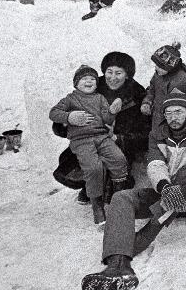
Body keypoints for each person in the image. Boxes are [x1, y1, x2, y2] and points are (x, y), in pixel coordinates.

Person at [80, 89, 186, 290]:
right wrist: (166, 189)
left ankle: (135, 241)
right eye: (169, 113)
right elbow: (155, 166)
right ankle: (118, 265)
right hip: (165, 190)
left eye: (179, 112)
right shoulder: (157, 134)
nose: (174, 117)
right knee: (122, 197)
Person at [65, 52, 152, 206]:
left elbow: (145, 133)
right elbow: (69, 107)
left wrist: (118, 138)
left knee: (113, 191)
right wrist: (69, 120)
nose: (113, 77)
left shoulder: (136, 94)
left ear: (127, 75)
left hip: (120, 144)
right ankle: (87, 186)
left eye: (118, 73)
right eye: (109, 72)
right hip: (89, 139)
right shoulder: (92, 86)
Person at [49, 65, 128, 225]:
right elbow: (53, 113)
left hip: (102, 136)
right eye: (84, 79)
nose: (89, 81)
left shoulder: (100, 98)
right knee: (93, 168)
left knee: (119, 159)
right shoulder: (70, 99)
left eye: (92, 79)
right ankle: (97, 206)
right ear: (76, 83)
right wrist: (69, 117)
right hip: (82, 141)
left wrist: (112, 112)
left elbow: (107, 120)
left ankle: (118, 201)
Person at [140, 42, 186, 130]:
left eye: (160, 66)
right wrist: (147, 103)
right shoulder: (157, 75)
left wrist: (181, 106)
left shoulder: (184, 79)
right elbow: (151, 91)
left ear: (169, 67)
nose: (156, 68)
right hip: (157, 119)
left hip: (177, 122)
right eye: (156, 65)